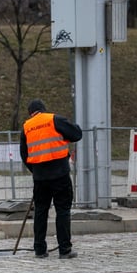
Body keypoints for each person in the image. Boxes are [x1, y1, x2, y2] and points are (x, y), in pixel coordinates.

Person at [20, 98, 83, 259]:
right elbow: (76, 134)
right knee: (62, 210)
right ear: (43, 109)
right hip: (60, 174)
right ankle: (64, 249)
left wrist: (35, 171)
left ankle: (40, 249)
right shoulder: (54, 119)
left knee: (41, 212)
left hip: (40, 177)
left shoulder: (26, 127)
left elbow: (24, 154)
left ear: (30, 113)